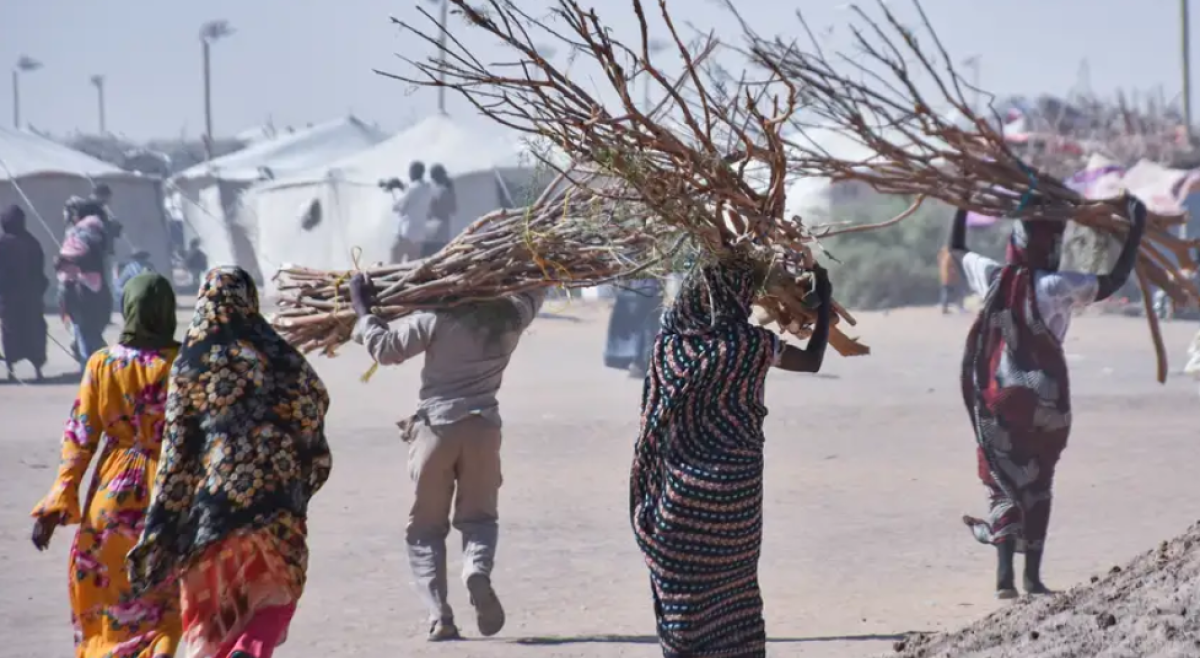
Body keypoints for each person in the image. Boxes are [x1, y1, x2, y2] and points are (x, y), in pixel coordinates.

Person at [629, 255, 832, 658]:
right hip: (732, 498)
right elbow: (810, 362)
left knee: (682, 598)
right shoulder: (752, 343)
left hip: (676, 499)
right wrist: (823, 305)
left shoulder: (667, 345)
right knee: (735, 591)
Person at [127, 266, 332, 658]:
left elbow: (176, 451)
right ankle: (252, 647)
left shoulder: (192, 362)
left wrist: (161, 524)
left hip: (213, 511)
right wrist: (294, 468)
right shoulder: (279, 355)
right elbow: (313, 408)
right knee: (276, 595)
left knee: (210, 620)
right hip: (275, 506)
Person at [948, 198, 1146, 598]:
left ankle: (1004, 577)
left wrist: (963, 205)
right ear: (1052, 246)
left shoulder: (994, 276)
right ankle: (1032, 578)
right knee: (1039, 483)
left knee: (1001, 483)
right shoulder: (1059, 285)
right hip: (1046, 400)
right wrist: (1135, 230)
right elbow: (1114, 280)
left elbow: (956, 250)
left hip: (999, 397)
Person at [347, 272, 543, 641]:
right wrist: (530, 265)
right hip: (484, 430)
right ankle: (476, 569)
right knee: (480, 520)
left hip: (436, 430)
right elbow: (537, 287)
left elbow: (386, 349)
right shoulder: (511, 318)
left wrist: (362, 308)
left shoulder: (435, 318)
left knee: (425, 529)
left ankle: (440, 616)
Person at [30, 272, 183, 657]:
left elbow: (80, 437)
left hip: (113, 500)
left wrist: (58, 501)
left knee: (110, 604)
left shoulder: (102, 363)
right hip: (174, 496)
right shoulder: (187, 364)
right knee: (165, 601)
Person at [56, 203, 114, 368]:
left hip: (80, 289)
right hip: (99, 288)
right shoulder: (101, 233)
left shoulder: (79, 235)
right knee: (92, 330)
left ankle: (88, 368)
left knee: (83, 330)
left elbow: (68, 260)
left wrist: (63, 262)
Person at [0, 205, 49, 381]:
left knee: (11, 332)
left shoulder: (3, 243)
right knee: (34, 331)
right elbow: (40, 271)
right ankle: (37, 369)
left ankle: (11, 369)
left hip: (11, 299)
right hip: (32, 297)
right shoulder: (32, 242)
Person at [604, 278, 663, 378]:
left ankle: (640, 362)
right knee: (647, 328)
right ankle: (642, 362)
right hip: (648, 291)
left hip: (640, 291)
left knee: (643, 328)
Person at [391, 161, 432, 263]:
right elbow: (411, 193)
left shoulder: (413, 188)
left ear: (414, 172)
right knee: (411, 263)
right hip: (419, 234)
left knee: (395, 255)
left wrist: (393, 191)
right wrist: (401, 187)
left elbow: (398, 207)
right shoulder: (427, 187)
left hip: (407, 232)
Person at [422, 164, 457, 258]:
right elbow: (453, 209)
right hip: (441, 233)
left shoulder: (428, 191)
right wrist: (451, 190)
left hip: (428, 233)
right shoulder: (444, 191)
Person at [937, 244, 965, 314]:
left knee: (946, 293)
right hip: (952, 279)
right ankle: (959, 307)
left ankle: (945, 308)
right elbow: (953, 268)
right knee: (959, 292)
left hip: (945, 278)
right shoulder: (950, 257)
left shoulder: (942, 256)